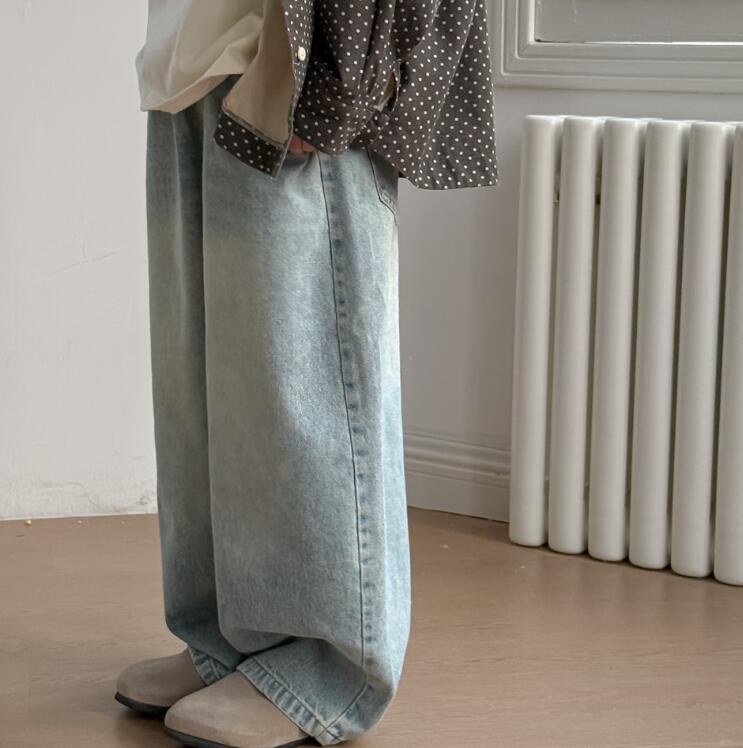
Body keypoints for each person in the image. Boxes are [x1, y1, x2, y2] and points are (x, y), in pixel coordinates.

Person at [115, 1, 498, 746]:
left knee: (309, 386)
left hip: (294, 62)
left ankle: (327, 667)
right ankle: (233, 641)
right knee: (211, 393)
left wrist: (338, 89)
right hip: (192, 64)